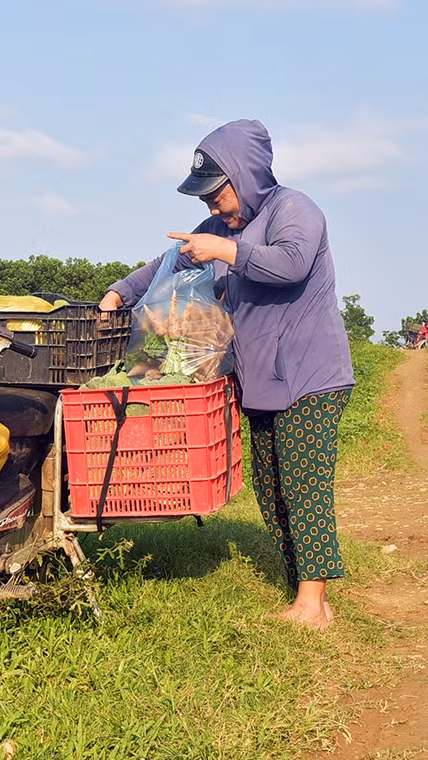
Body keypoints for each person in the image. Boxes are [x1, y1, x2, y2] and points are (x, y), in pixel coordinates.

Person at [99, 119, 355, 630]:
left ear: (249, 174)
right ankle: (303, 590)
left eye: (218, 194)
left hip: (309, 375)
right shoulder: (221, 228)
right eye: (206, 199)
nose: (211, 207)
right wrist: (119, 293)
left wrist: (224, 251)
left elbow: (291, 263)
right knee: (272, 485)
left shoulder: (294, 210)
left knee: (303, 484)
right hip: (259, 379)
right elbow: (167, 263)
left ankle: (313, 604)